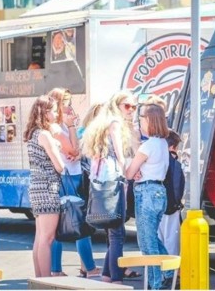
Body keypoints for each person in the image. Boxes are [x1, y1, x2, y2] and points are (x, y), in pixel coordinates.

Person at [82, 91, 137, 285]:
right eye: (127, 106)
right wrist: (129, 174)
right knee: (117, 234)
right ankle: (116, 279)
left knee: (114, 232)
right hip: (114, 180)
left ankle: (107, 276)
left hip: (102, 180)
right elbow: (121, 157)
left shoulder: (103, 125)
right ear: (117, 105)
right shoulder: (115, 124)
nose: (131, 110)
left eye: (134, 107)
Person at [47, 88, 100, 278]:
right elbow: (73, 149)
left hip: (73, 175)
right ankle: (84, 267)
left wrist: (73, 140)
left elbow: (77, 152)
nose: (69, 107)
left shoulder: (61, 125)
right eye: (65, 103)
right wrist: (70, 127)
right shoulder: (55, 127)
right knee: (75, 221)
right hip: (67, 177)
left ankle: (79, 267)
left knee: (72, 222)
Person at [125, 103, 173, 290]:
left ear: (150, 120)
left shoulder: (148, 145)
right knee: (151, 238)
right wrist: (140, 171)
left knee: (146, 242)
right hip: (159, 192)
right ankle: (168, 271)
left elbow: (129, 173)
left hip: (146, 193)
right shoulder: (162, 143)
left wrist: (134, 170)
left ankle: (155, 283)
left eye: (142, 117)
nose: (140, 121)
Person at [24, 95, 65, 277]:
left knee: (40, 238)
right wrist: (58, 147)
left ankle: (39, 281)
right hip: (48, 188)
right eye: (54, 110)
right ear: (45, 112)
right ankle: (46, 282)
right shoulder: (45, 134)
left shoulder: (33, 133)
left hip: (36, 187)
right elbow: (60, 166)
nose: (57, 114)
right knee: (48, 238)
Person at [158, 130, 185, 257]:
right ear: (173, 147)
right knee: (171, 240)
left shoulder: (155, 161)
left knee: (159, 239)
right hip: (170, 207)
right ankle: (171, 272)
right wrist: (177, 204)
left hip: (155, 207)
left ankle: (161, 271)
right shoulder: (174, 164)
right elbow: (176, 188)